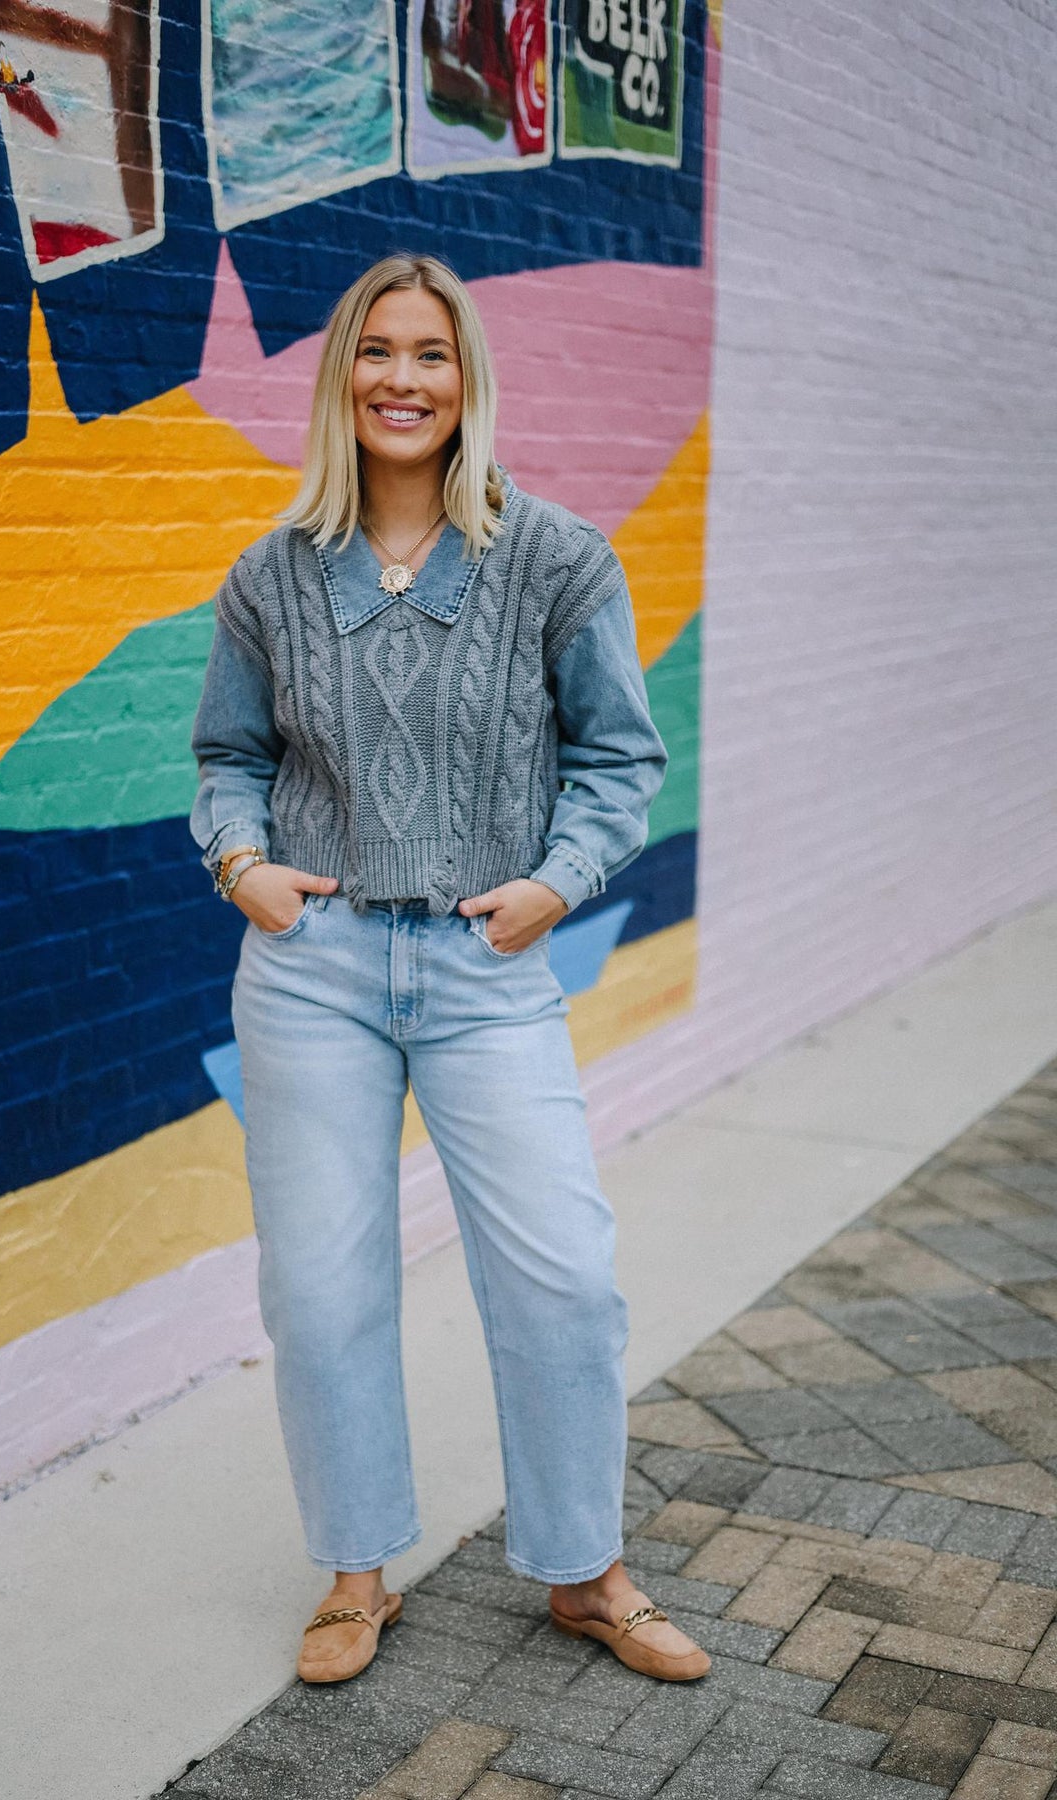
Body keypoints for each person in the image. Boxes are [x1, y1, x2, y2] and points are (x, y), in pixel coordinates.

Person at [189, 252, 710, 1687]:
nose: (401, 380)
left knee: (562, 1276)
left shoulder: (554, 557)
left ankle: (585, 1570)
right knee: (323, 1284)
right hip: (314, 971)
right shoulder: (271, 574)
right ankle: (358, 1573)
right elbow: (228, 756)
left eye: (430, 354)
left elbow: (620, 756)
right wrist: (245, 870)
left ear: (468, 378)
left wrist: (554, 885)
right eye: (376, 352)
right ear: (339, 377)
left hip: (487, 970)